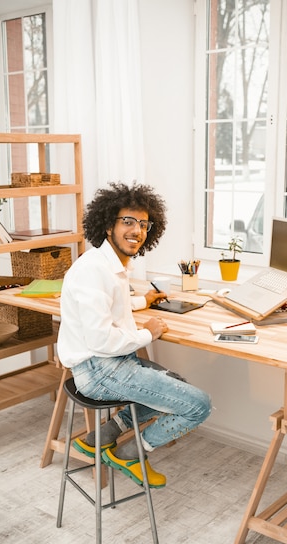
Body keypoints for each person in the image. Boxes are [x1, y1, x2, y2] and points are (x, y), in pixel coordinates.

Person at [57, 182, 212, 489]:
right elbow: (100, 340)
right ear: (107, 223)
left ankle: (99, 439)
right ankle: (131, 454)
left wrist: (143, 302)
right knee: (198, 405)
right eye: (127, 221)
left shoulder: (109, 265)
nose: (137, 230)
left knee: (175, 385)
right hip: (99, 371)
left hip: (111, 363)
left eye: (143, 224)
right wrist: (147, 334)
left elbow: (111, 307)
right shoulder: (93, 271)